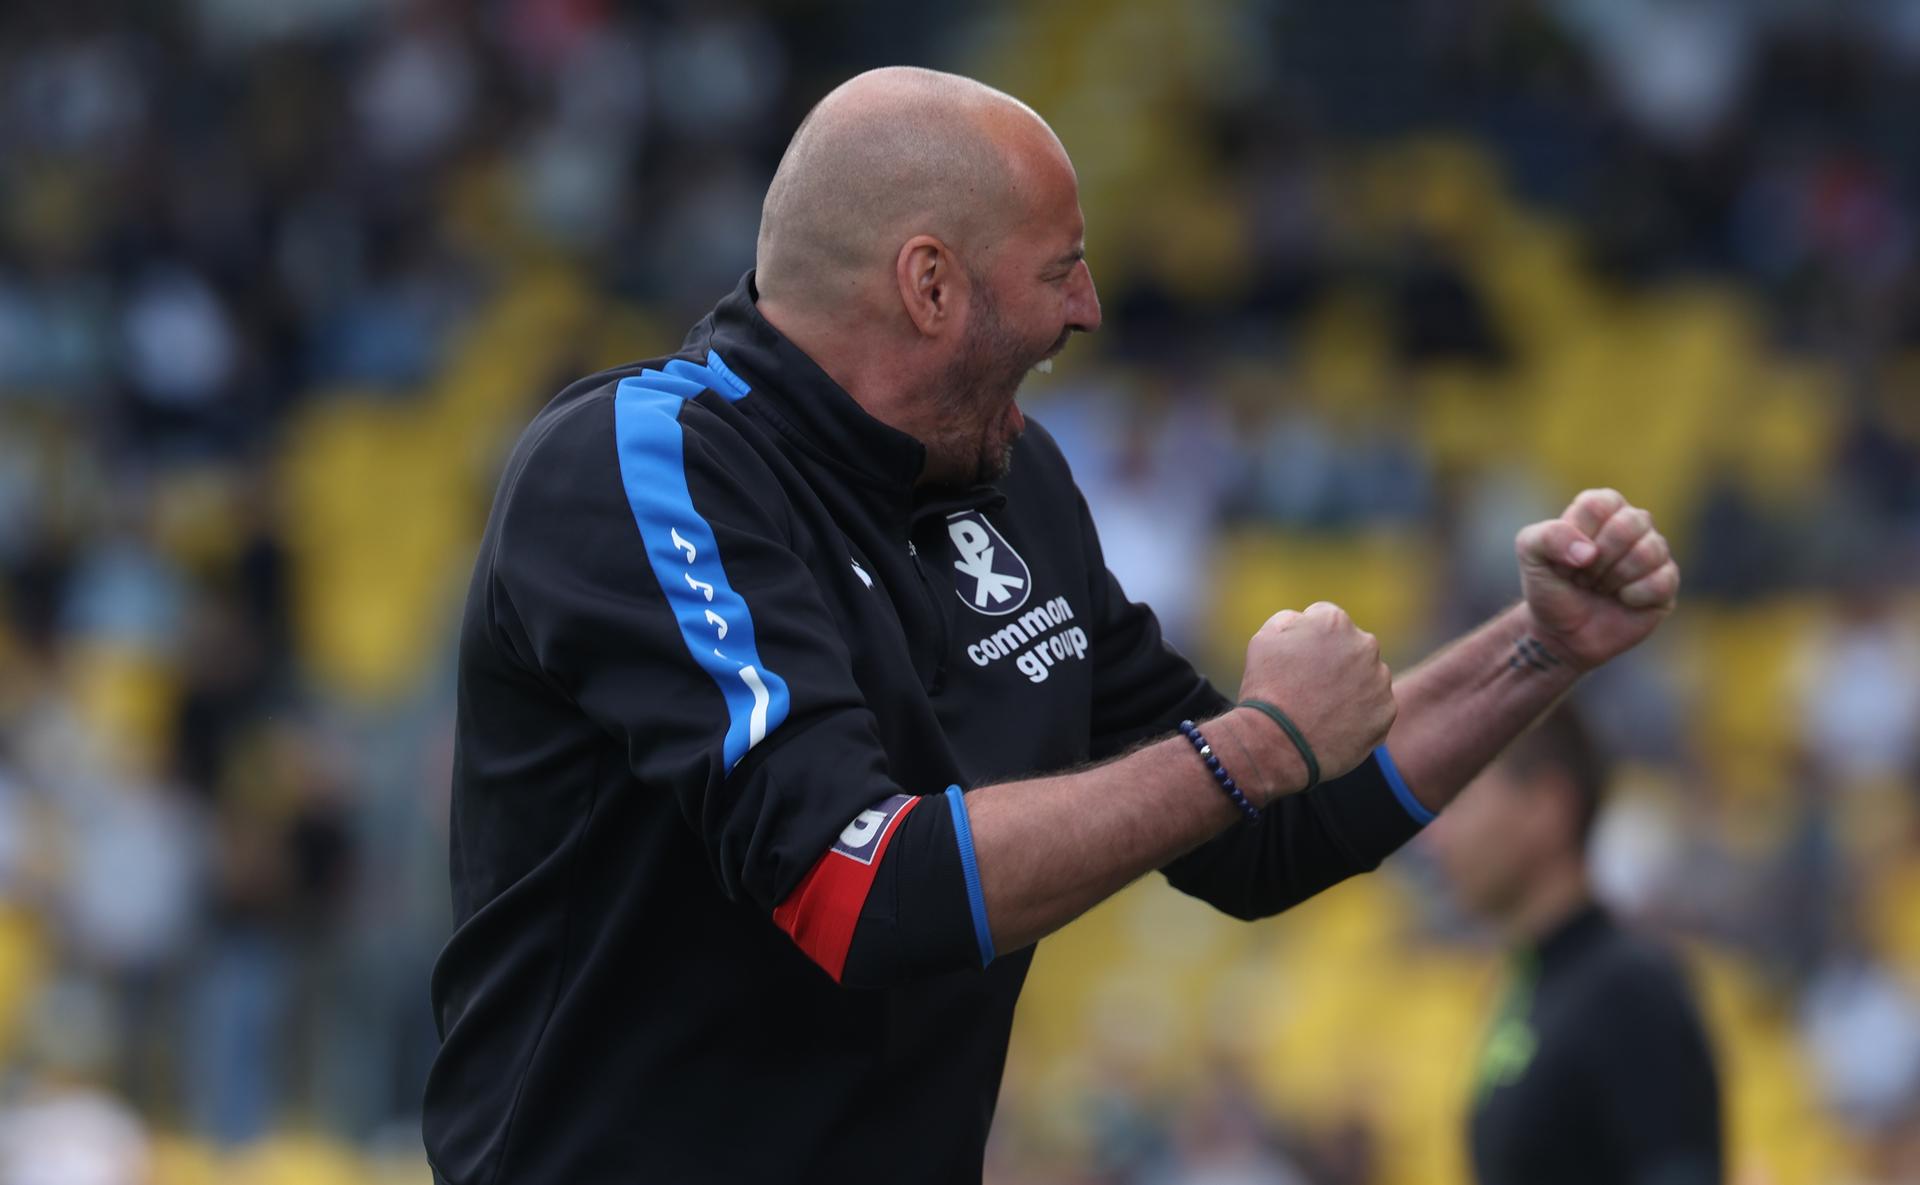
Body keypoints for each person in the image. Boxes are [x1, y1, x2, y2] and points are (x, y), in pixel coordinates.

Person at [421, 66, 1683, 1185]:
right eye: (1061, 265)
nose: (1087, 309)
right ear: (930, 284)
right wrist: (1255, 746)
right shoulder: (640, 468)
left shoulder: (1013, 481)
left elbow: (1273, 829)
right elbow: (857, 890)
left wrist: (1540, 645)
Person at [1426, 706, 1723, 1185]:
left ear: (1547, 805)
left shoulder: (1629, 992)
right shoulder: (1530, 983)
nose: (1434, 837)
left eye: (1460, 801)